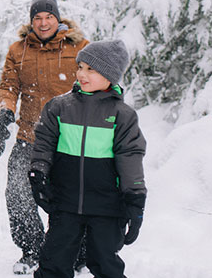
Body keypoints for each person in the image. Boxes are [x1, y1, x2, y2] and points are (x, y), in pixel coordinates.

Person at [29, 39, 147, 278]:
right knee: (53, 262)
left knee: (106, 264)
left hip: (107, 207)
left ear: (109, 75)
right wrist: (38, 173)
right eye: (80, 67)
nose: (82, 74)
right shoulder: (59, 107)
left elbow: (131, 158)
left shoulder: (122, 115)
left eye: (91, 69)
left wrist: (135, 200)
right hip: (65, 202)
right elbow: (44, 144)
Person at [0, 0, 89, 274]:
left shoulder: (79, 47)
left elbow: (95, 83)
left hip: (68, 138)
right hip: (29, 138)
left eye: (48, 17)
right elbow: (8, 87)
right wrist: (6, 109)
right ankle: (32, 249)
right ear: (31, 21)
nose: (43, 23)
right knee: (18, 193)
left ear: (58, 18)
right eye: (37, 18)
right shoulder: (18, 50)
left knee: (68, 197)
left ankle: (74, 253)